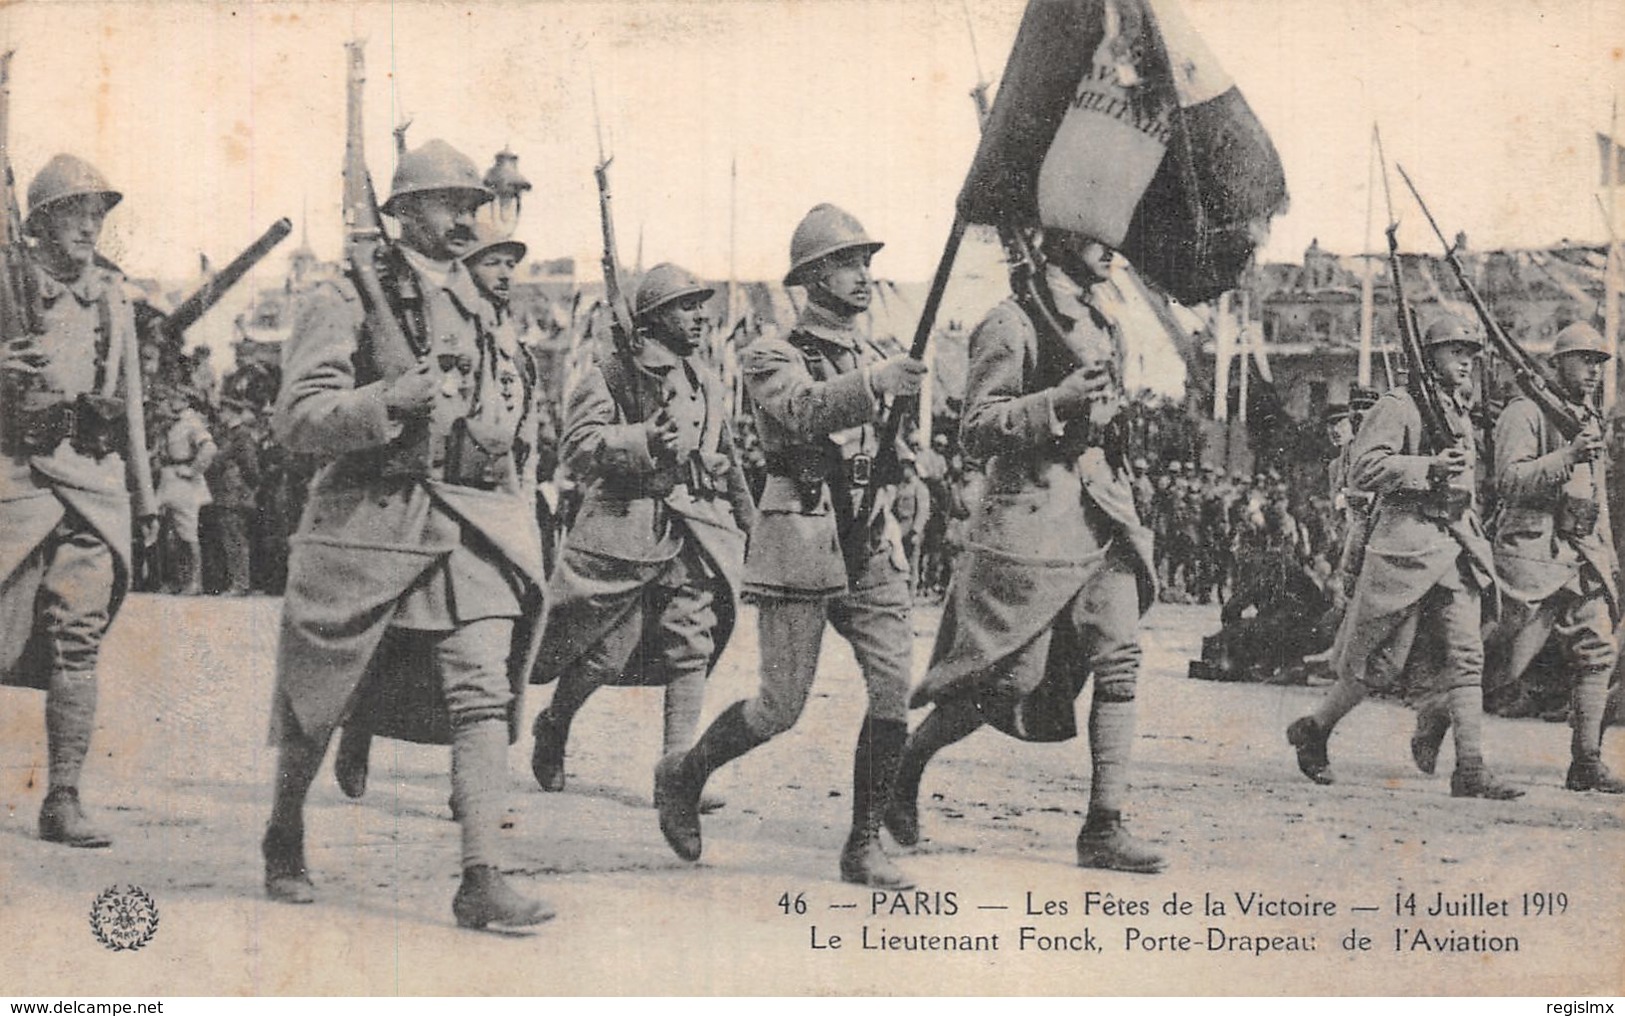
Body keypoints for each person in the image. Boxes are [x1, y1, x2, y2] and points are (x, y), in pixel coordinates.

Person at [262, 139, 552, 929]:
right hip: (373, 522)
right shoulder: (346, 295)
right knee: (325, 694)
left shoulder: (483, 299)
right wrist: (387, 399)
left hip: (473, 525)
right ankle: (284, 831)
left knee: (483, 690)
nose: (467, 216)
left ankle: (481, 875)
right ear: (404, 211)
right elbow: (296, 420)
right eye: (449, 202)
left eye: (472, 202)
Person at [653, 204, 925, 888]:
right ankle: (684, 775)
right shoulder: (771, 352)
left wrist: (916, 470)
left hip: (870, 540)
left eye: (865, 263)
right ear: (810, 278)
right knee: (780, 706)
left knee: (892, 688)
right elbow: (803, 409)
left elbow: (894, 441)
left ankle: (863, 843)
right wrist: (874, 386)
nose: (862, 276)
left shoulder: (876, 353)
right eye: (845, 264)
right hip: (802, 533)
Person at [885, 232, 1164, 873]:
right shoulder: (1009, 325)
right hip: (1030, 525)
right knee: (1007, 679)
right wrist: (1056, 403)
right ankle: (906, 766)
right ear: (1060, 238)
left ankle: (1103, 824)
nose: (1113, 251)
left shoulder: (1104, 325)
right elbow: (977, 428)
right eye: (1096, 238)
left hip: (1101, 515)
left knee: (1120, 660)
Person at [528, 263, 752, 800]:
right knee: (605, 654)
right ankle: (554, 724)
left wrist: (749, 519)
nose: (700, 316)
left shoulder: (706, 380)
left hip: (692, 530)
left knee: (690, 646)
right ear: (652, 319)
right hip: (622, 532)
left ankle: (677, 774)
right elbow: (577, 450)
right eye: (686, 306)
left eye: (702, 305)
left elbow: (726, 455)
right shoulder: (610, 375)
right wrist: (640, 438)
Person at [1287, 315, 1522, 799]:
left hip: (1454, 544)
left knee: (1466, 655)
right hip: (1407, 547)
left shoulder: (1458, 409)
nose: (1466, 361)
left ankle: (1471, 768)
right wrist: (1427, 467)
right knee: (1379, 665)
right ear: (1430, 354)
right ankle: (1316, 727)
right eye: (1456, 350)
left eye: (1472, 354)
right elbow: (1363, 468)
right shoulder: (1401, 403)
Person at [0, 154, 157, 847]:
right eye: (77, 212)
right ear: (39, 222)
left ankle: (63, 796)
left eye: (99, 213)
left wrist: (143, 496)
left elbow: (131, 404)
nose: (92, 225)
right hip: (14, 482)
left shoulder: (113, 295)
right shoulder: (7, 284)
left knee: (77, 640)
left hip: (93, 486)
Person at [1411, 322, 1624, 792]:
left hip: (1580, 550)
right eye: (1583, 360)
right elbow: (1508, 481)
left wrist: (1607, 556)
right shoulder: (1525, 411)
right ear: (1556, 363)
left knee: (1598, 649)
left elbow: (1598, 496)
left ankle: (1586, 761)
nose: (1592, 371)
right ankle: (1436, 713)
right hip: (1529, 549)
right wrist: (1567, 454)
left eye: (1598, 362)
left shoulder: (1589, 416)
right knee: (1506, 664)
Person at [155, 391, 216, 594]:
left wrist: (193, 471)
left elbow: (209, 448)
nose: (171, 401)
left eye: (176, 398)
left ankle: (194, 582)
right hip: (168, 479)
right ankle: (176, 580)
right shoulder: (171, 422)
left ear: (186, 401)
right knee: (168, 533)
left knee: (187, 534)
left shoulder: (192, 423)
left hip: (183, 481)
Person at [207, 397, 262, 595]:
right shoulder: (229, 434)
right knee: (230, 538)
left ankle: (241, 584)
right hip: (226, 493)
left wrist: (245, 488)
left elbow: (251, 467)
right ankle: (237, 582)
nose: (220, 415)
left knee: (235, 539)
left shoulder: (241, 435)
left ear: (231, 412)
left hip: (235, 493)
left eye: (223, 411)